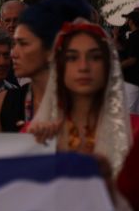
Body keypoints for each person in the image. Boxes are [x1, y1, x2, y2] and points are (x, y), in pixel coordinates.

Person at [27, 19, 132, 175]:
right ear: (60, 67)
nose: (83, 67)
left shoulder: (138, 132)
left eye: (95, 57)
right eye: (72, 58)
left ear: (109, 65)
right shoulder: (36, 134)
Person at [0, 0, 93, 132]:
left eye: (23, 44)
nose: (14, 53)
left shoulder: (85, 103)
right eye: (15, 44)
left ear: (51, 49)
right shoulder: (3, 104)